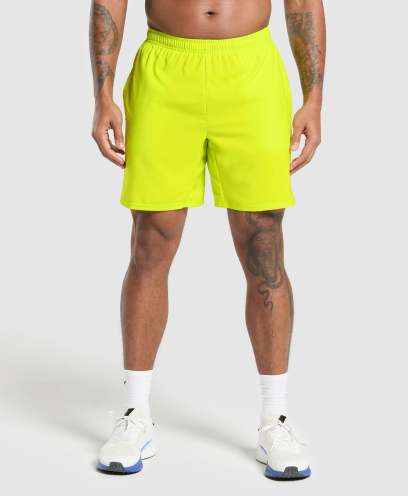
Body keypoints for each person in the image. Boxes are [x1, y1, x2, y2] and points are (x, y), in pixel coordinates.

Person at [89, 0, 325, 480]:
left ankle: (274, 418)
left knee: (264, 242)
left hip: (250, 70)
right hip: (165, 69)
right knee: (151, 239)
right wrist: (103, 94)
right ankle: (136, 413)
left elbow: (302, 2)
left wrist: (314, 98)